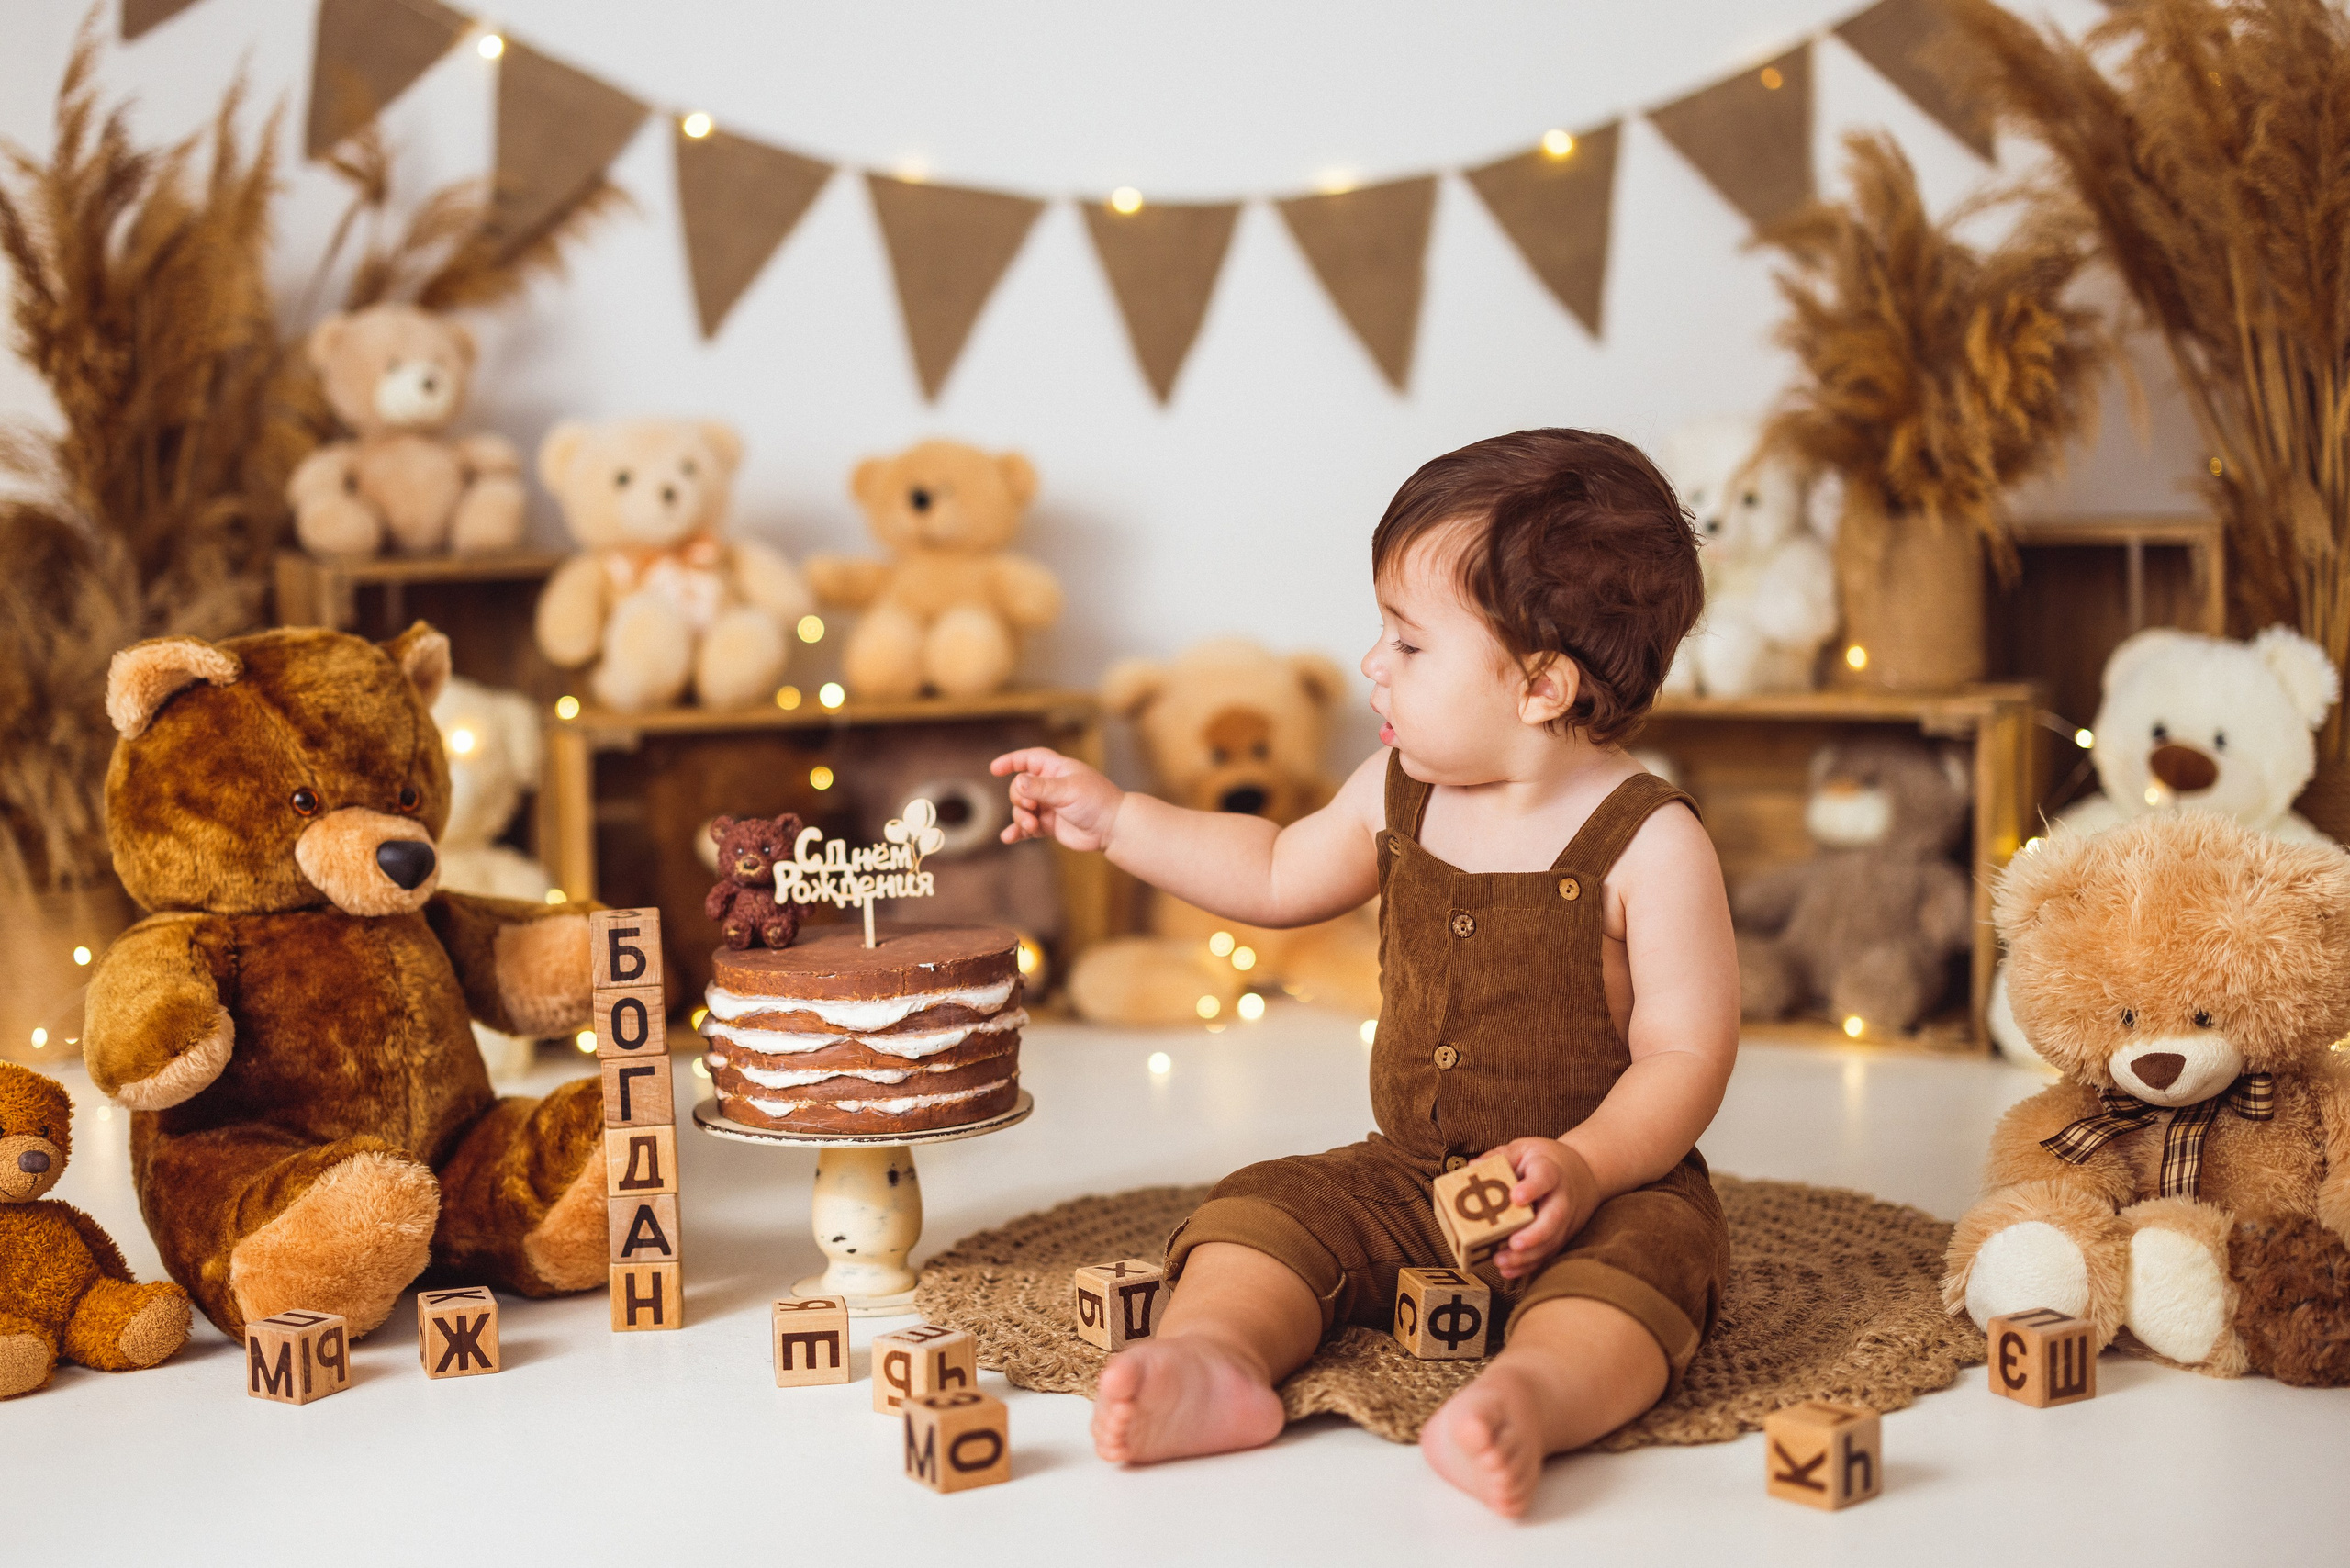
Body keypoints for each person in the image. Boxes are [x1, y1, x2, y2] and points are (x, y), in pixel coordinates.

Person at [990, 429, 1739, 1518]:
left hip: (1605, 1185)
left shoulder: (1650, 841)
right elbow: (1275, 868)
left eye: (1408, 642)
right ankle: (1213, 1361)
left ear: (1539, 683)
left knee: (1643, 1277)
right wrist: (1118, 820)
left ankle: (1529, 1396)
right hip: (1408, 1176)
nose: (1370, 664)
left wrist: (1581, 1169)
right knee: (1267, 1210)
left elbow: (1687, 1054)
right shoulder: (1402, 784)